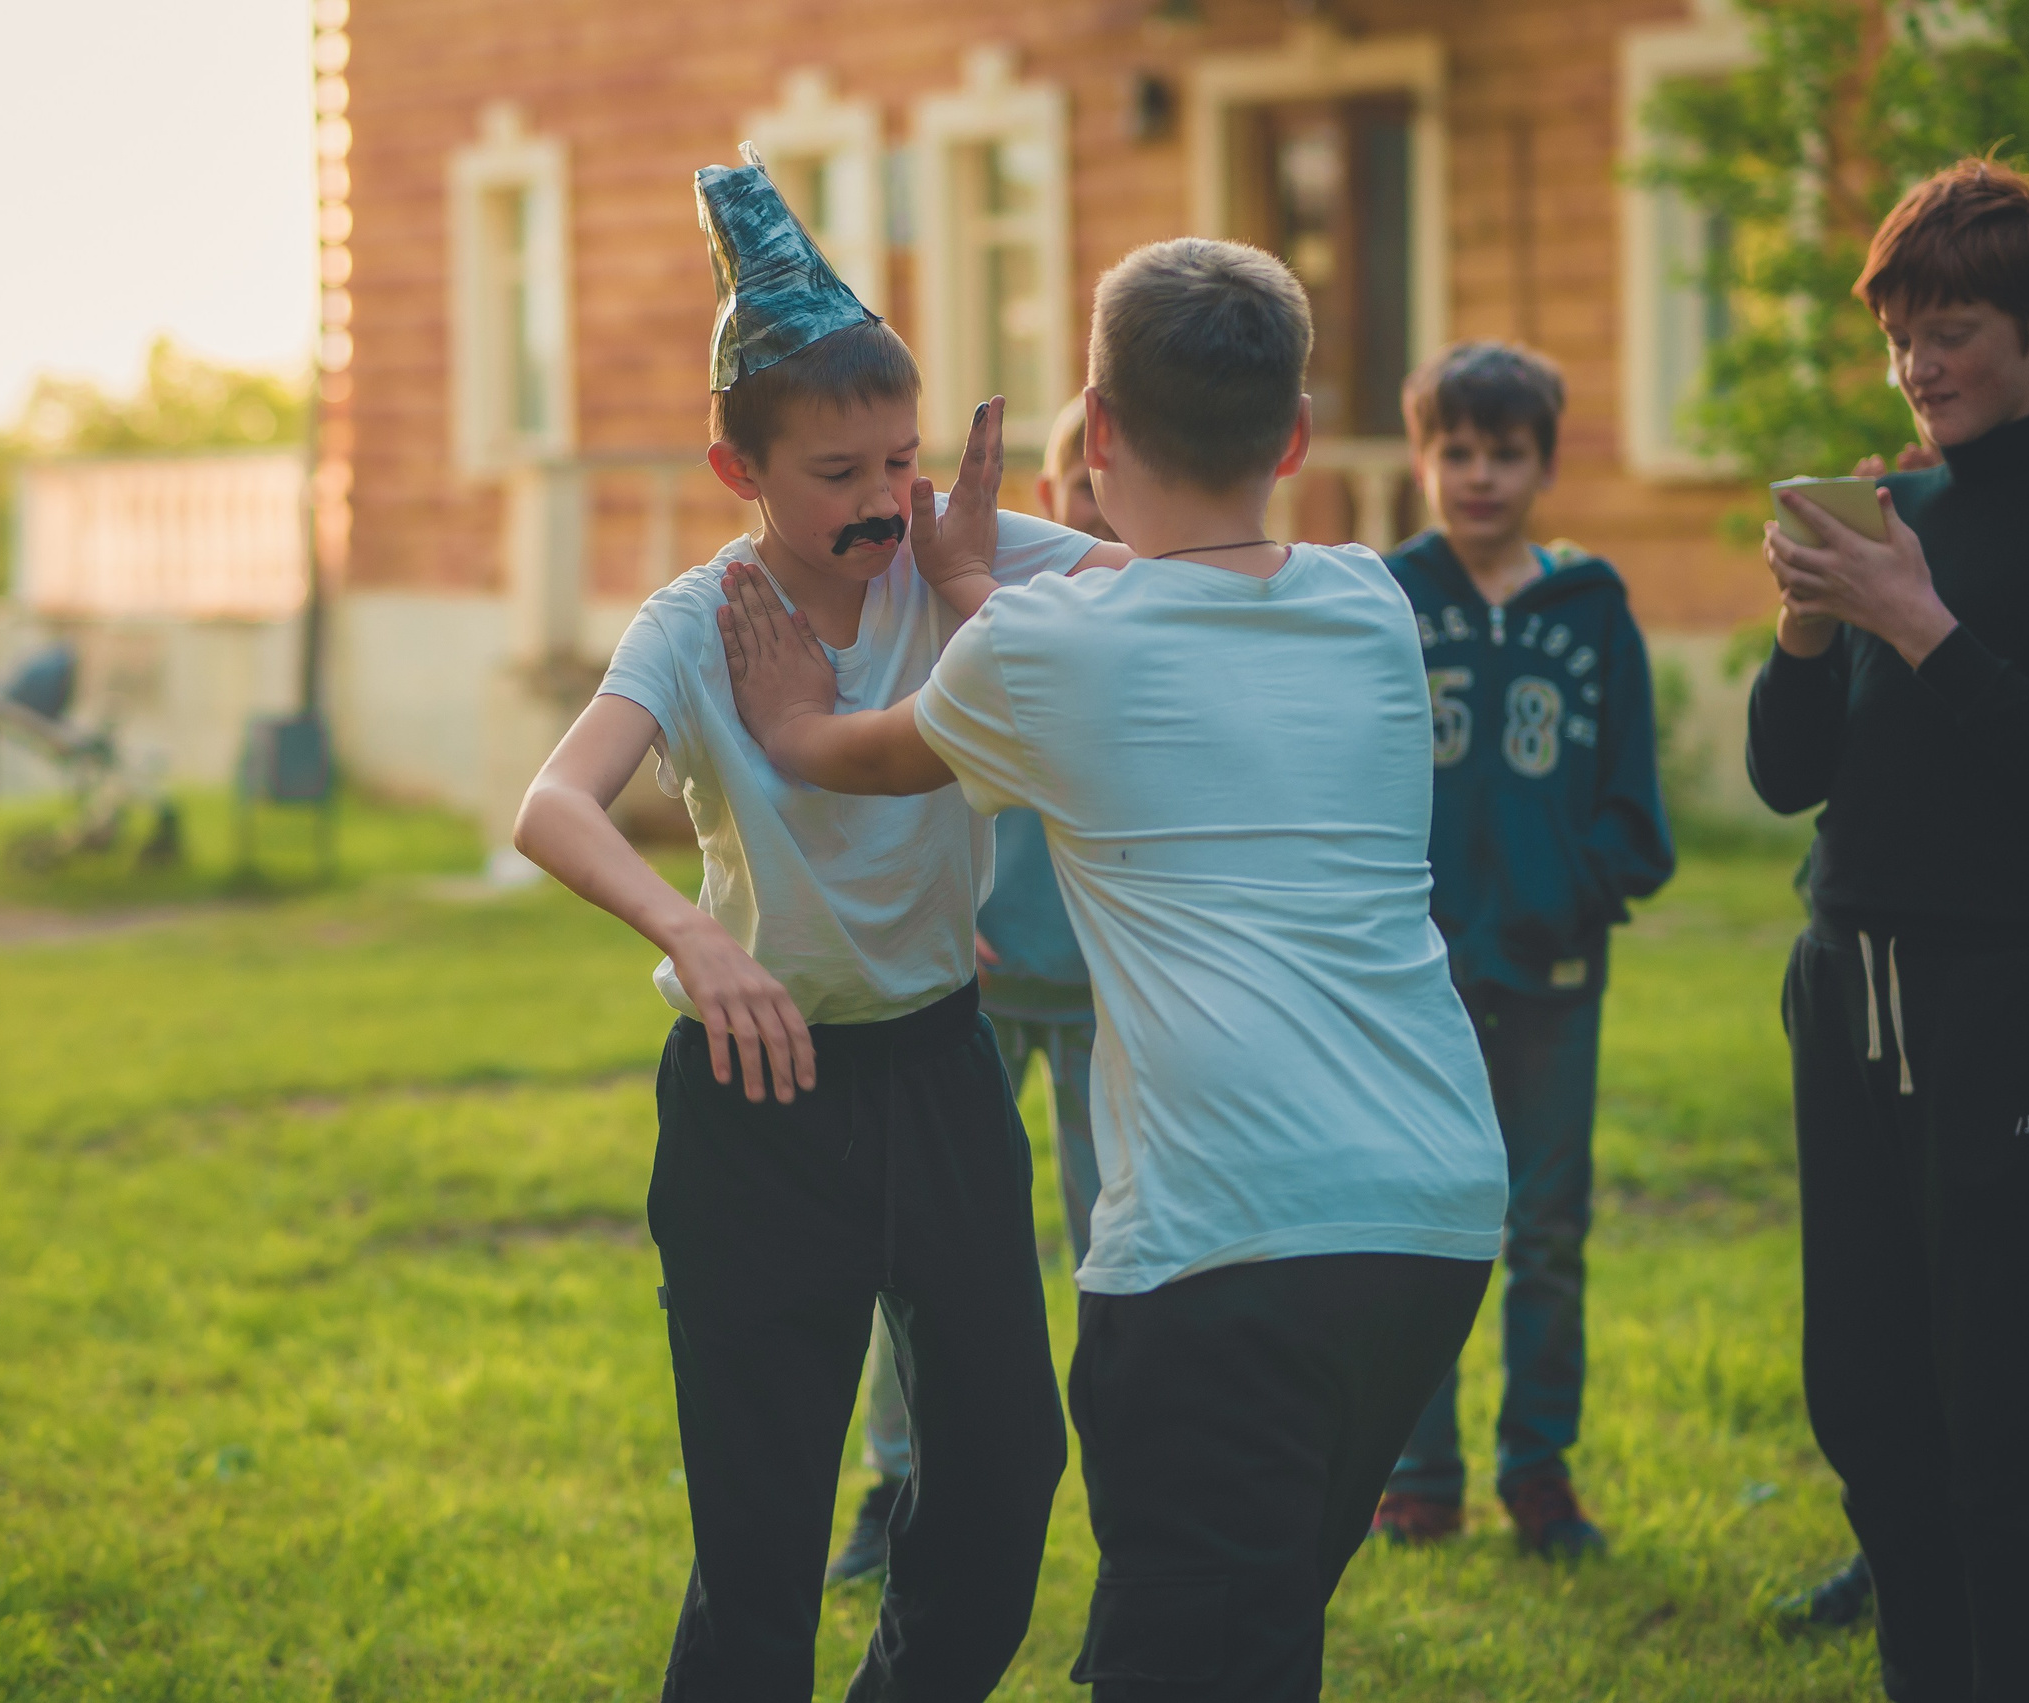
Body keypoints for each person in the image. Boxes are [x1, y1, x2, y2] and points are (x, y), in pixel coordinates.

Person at [716, 235, 1508, 1700]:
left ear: (1102, 430)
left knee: (1190, 1662)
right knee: (1256, 1630)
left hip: (1226, 1250)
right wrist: (982, 594)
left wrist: (785, 707)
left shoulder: (1047, 647)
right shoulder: (1372, 606)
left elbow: (841, 751)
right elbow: (1142, 642)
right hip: (1432, 1216)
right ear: (1295, 436)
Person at [508, 146, 1129, 1701]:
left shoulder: (948, 553)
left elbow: (1155, 603)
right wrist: (692, 935)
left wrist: (983, 580)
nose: (879, 505)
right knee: (765, 1528)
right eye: (836, 476)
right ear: (744, 473)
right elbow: (554, 804)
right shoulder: (698, 619)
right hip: (754, 1100)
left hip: (937, 1067)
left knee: (1002, 1462)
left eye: (898, 463)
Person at [1746, 158, 2029, 1698]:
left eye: (1953, 329)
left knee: (2003, 1420)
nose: (1916, 366)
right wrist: (1805, 625)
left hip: (2008, 994)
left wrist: (1918, 620)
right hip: (1840, 981)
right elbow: (1787, 777)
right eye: (1900, 335)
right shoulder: (1891, 510)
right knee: (1865, 1401)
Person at [1368, 342, 1674, 1558]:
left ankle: (1537, 1466)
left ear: (1544, 463)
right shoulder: (1387, 597)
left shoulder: (1590, 607)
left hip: (1551, 976)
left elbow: (1630, 792)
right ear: (1421, 457)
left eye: (1504, 453)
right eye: (1456, 451)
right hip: (1414, 982)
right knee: (1422, 1219)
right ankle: (1418, 1467)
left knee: (1545, 1228)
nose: (1478, 474)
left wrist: (1574, 889)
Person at [827, 394, 1114, 1587]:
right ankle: (893, 1481)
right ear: (1052, 500)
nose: (1101, 506)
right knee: (928, 1256)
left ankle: (1124, 1487)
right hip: (983, 987)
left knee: (1115, 1246)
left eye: (1118, 481)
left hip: (1106, 1001)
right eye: (1083, 485)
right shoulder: (986, 617)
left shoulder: (1150, 635)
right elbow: (915, 763)